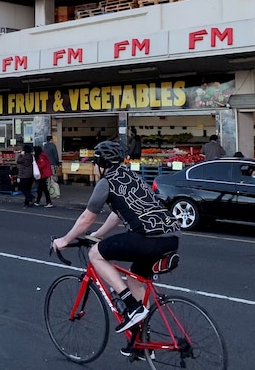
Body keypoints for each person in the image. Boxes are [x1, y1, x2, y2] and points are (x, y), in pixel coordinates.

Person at [52, 141, 180, 357]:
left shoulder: (106, 182)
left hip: (146, 238)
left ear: (101, 163)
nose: (94, 166)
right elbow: (117, 213)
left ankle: (131, 305)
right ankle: (141, 343)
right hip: (171, 238)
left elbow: (85, 219)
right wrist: (98, 235)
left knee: (95, 254)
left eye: (95, 162)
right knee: (135, 280)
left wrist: (64, 240)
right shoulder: (132, 177)